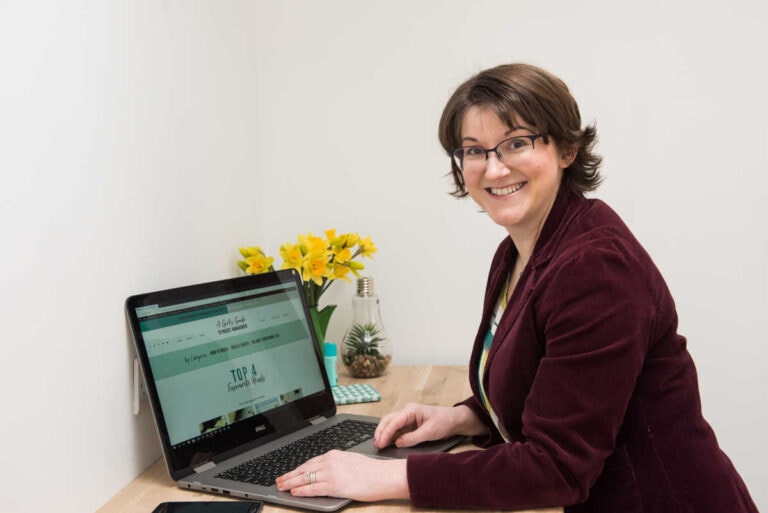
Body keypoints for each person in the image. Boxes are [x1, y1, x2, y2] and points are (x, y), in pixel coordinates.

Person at [276, 63, 758, 512]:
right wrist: (466, 417)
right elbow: (551, 384)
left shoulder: (596, 268)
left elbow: (559, 467)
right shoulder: (521, 248)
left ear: (566, 150)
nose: (494, 167)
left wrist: (385, 478)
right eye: (474, 150)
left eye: (517, 142)